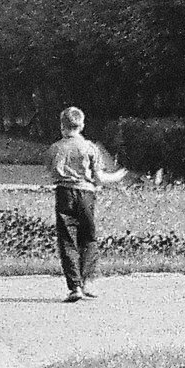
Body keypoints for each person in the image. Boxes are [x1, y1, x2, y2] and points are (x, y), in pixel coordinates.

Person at [46, 105, 125, 303]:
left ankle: (74, 287)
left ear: (62, 126)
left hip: (64, 193)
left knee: (66, 240)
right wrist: (115, 177)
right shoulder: (90, 148)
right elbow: (98, 178)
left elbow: (52, 172)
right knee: (88, 237)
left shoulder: (55, 148)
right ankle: (87, 280)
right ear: (81, 125)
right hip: (86, 195)